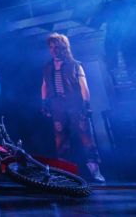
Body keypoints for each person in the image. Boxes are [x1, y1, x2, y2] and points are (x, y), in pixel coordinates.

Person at [41, 32, 105, 183]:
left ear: (64, 48)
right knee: (61, 141)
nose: (53, 50)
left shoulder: (75, 65)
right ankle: (65, 174)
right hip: (58, 107)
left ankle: (95, 172)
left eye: (56, 47)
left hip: (75, 105)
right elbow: (44, 85)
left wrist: (86, 105)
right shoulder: (48, 67)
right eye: (51, 47)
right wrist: (44, 103)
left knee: (86, 138)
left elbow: (84, 86)